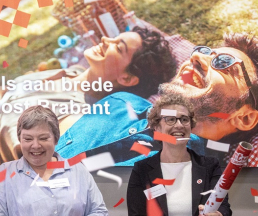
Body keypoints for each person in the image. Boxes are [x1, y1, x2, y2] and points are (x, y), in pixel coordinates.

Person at [0, 24, 176, 163]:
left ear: (127, 79)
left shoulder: (76, 119)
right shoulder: (72, 72)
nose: (105, 39)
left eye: (118, 47)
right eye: (114, 37)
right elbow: (20, 86)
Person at [57, 32, 258, 165]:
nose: (196, 57)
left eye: (223, 63)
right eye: (202, 50)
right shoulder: (121, 102)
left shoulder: (197, 184)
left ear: (245, 117)